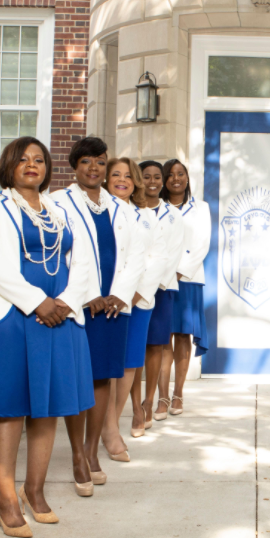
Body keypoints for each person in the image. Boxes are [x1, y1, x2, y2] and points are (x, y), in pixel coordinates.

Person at [0, 137, 95, 537]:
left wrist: (64, 302)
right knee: (10, 406)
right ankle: (6, 497)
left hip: (60, 316)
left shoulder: (59, 210)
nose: (32, 165)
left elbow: (81, 261)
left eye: (39, 159)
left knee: (47, 405)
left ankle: (35, 489)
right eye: (23, 159)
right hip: (9, 316)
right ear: (9, 166)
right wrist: (37, 302)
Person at [53, 138, 143, 492]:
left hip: (113, 308)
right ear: (76, 167)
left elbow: (136, 255)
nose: (95, 168)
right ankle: (76, 454)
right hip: (80, 305)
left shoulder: (121, 207)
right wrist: (88, 295)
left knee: (104, 378)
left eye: (100, 162)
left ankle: (92, 452)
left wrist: (119, 294)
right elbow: (61, 254)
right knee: (79, 379)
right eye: (87, 161)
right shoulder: (59, 202)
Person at [102, 158, 162, 439]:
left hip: (138, 300)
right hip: (107, 299)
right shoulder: (100, 212)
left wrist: (134, 295)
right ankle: (104, 422)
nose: (122, 180)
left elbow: (157, 258)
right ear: (106, 178)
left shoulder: (147, 216)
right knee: (109, 361)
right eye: (115, 174)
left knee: (129, 363)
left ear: (135, 180)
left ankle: (111, 422)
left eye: (128, 175)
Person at [133, 160, 185, 425]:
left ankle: (149, 400)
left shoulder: (173, 215)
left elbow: (171, 255)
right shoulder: (129, 210)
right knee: (134, 349)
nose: (153, 181)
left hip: (161, 289)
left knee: (156, 346)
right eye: (147, 176)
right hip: (129, 291)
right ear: (138, 179)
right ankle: (135, 407)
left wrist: (150, 286)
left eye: (157, 177)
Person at [160, 159, 210, 416]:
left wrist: (180, 271)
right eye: (170, 174)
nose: (176, 178)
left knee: (182, 335)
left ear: (187, 178)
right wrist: (163, 273)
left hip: (188, 279)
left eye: (181, 174)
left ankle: (178, 394)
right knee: (160, 337)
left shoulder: (201, 208)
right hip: (159, 281)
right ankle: (161, 397)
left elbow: (202, 244)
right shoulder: (154, 207)